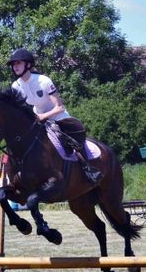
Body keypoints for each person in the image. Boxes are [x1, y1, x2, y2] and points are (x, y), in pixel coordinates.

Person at [7, 48, 102, 185]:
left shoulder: (43, 81)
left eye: (18, 63)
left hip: (58, 117)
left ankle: (88, 168)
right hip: (38, 118)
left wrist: (43, 116)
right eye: (13, 64)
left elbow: (59, 107)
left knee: (74, 138)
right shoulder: (16, 86)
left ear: (28, 64)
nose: (14, 66)